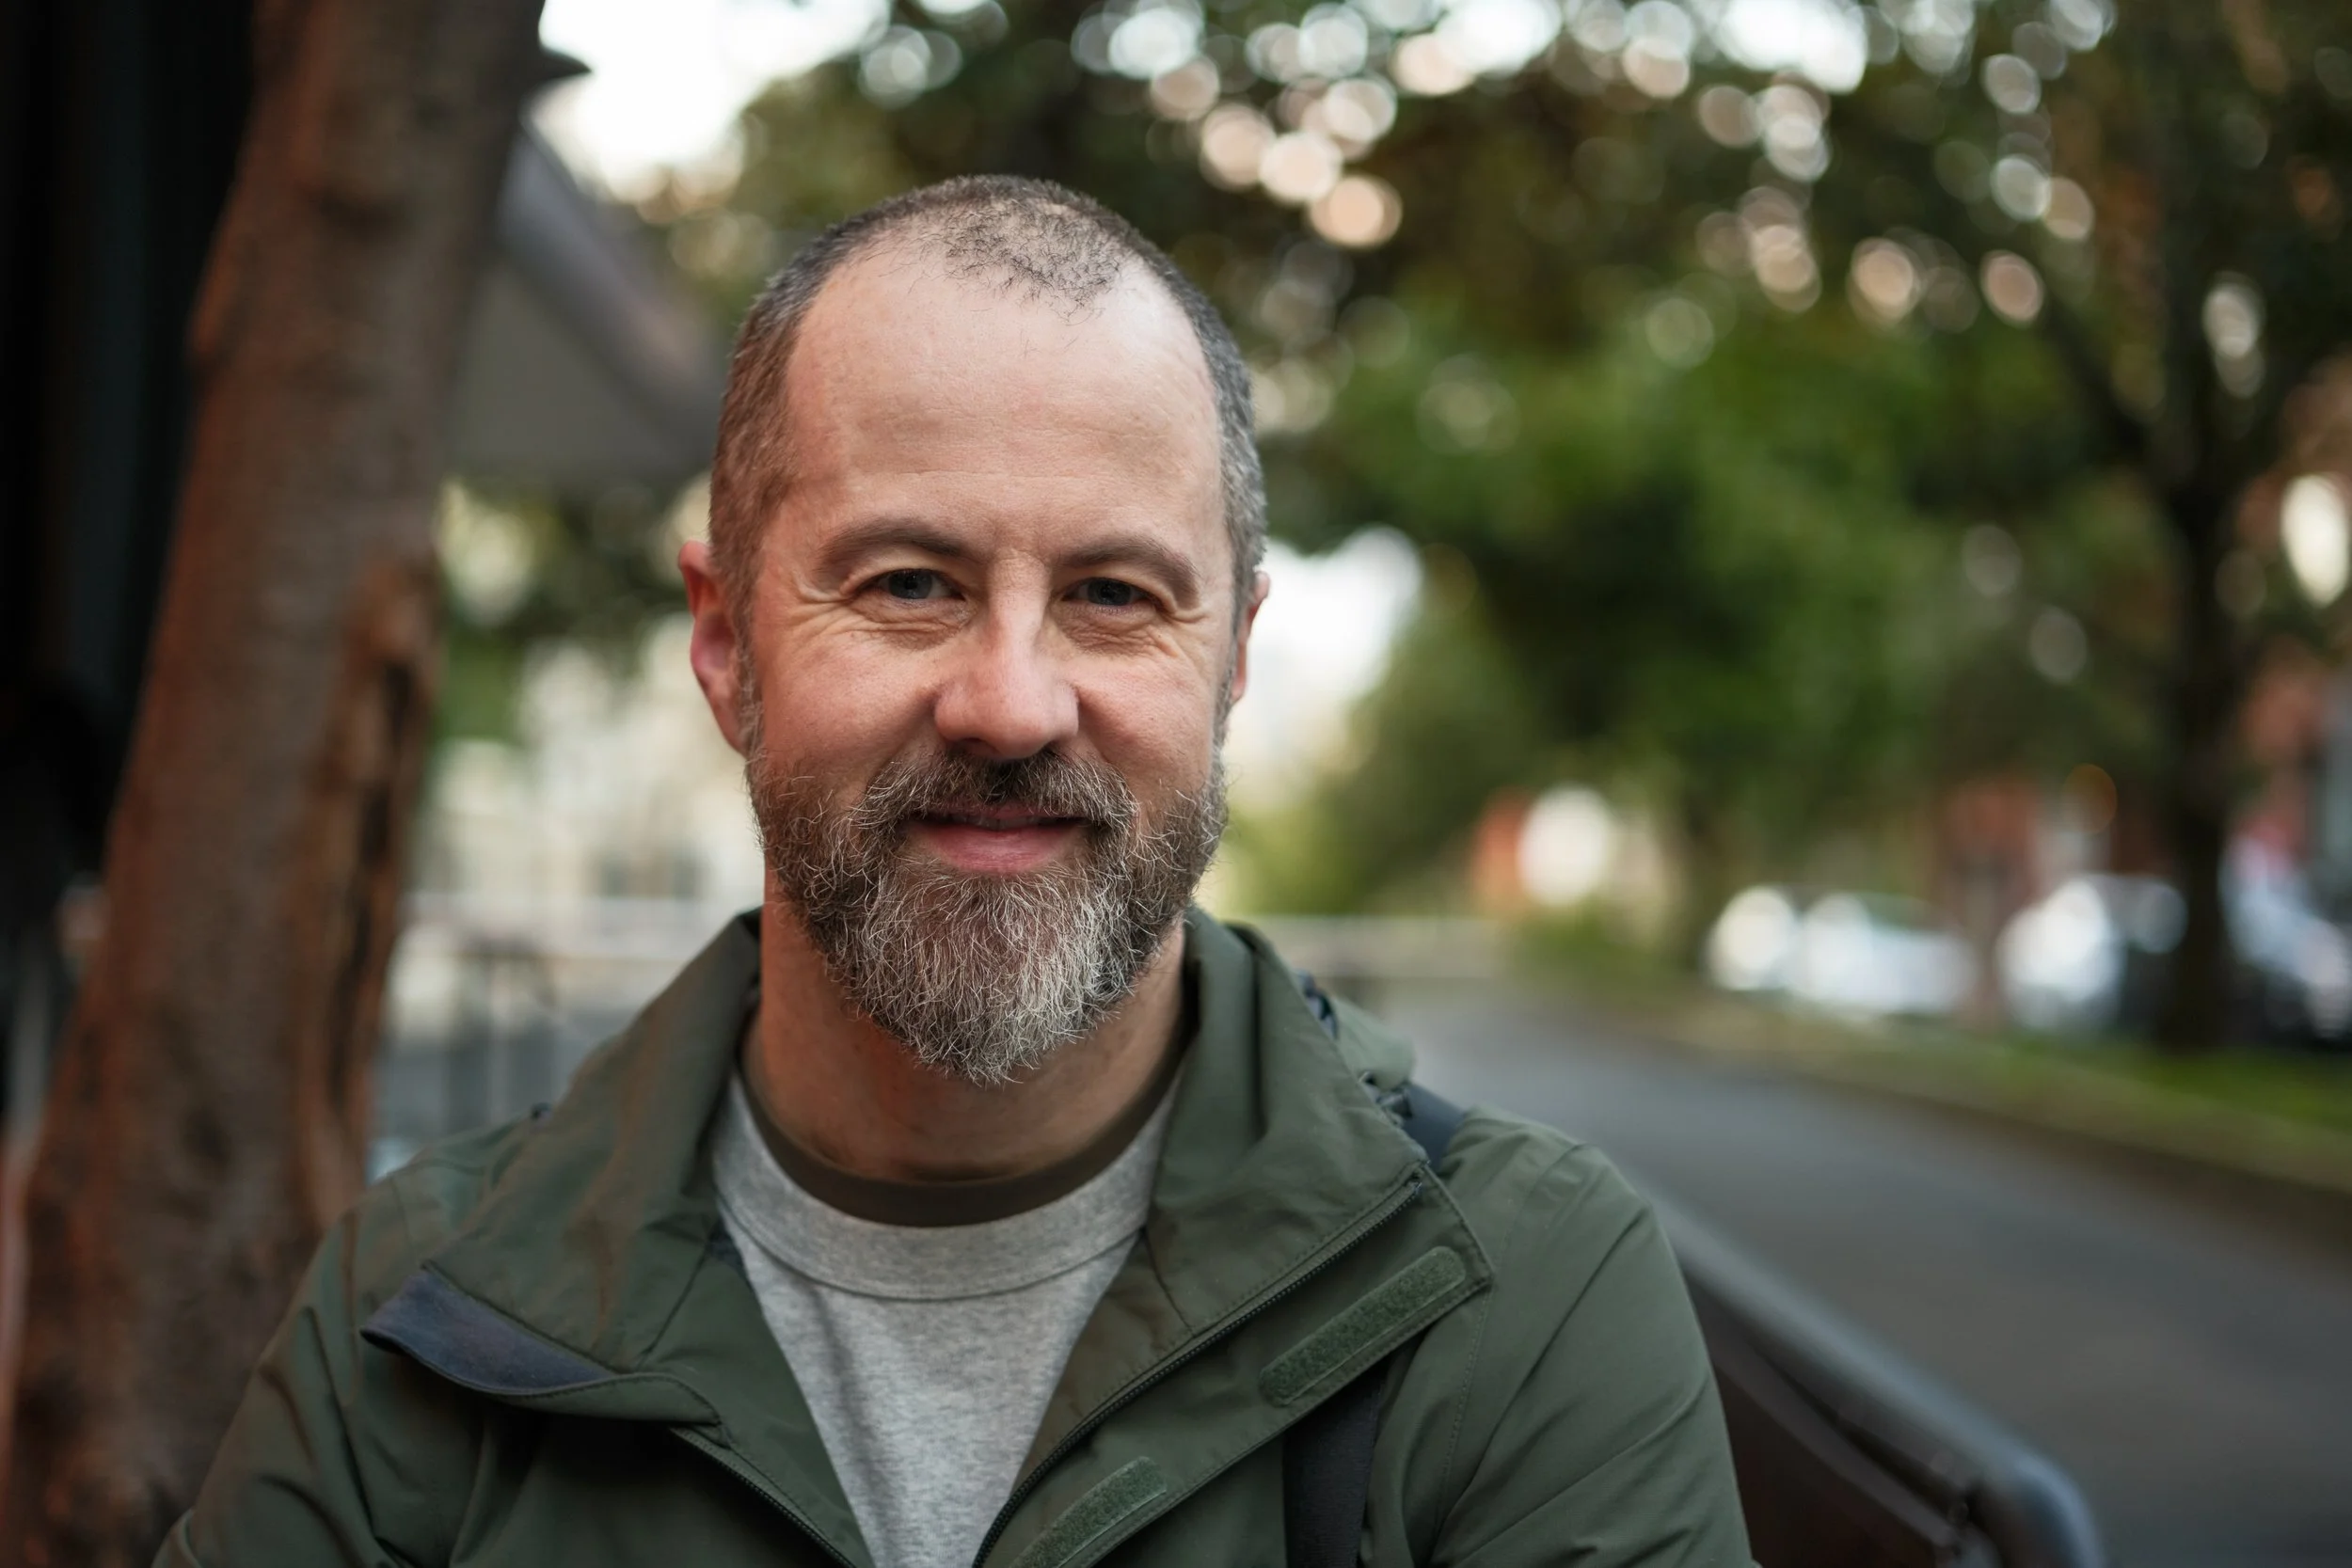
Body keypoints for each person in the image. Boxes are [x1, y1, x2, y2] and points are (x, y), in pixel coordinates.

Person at [163, 177, 1751, 1568]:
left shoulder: (1518, 1295)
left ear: (1233, 663)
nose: (1009, 700)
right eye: (910, 581)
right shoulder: (423, 1304)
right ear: (724, 642)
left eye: (1116, 594)